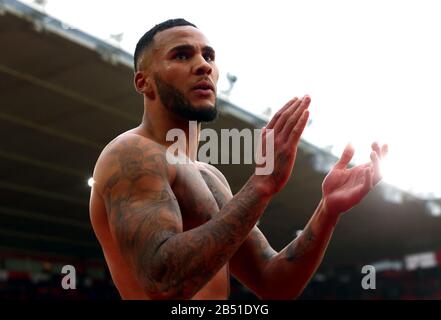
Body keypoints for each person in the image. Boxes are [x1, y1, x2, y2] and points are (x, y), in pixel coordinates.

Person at [89, 18, 388, 300]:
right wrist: (262, 184)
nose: (203, 66)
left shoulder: (210, 177)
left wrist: (327, 210)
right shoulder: (131, 154)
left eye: (209, 56)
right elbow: (161, 281)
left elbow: (274, 283)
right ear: (144, 82)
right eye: (182, 56)